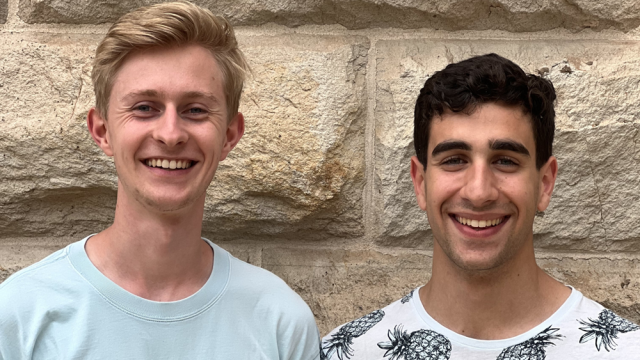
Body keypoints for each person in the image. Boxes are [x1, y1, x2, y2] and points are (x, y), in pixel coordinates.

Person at [0, 2, 320, 359]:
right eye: (144, 107)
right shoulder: (21, 314)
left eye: (195, 110)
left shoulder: (279, 321)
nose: (171, 134)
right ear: (102, 131)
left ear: (229, 135)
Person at [321, 54, 640, 359]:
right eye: (454, 160)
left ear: (544, 184)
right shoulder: (343, 351)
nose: (478, 192)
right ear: (420, 183)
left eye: (505, 161)